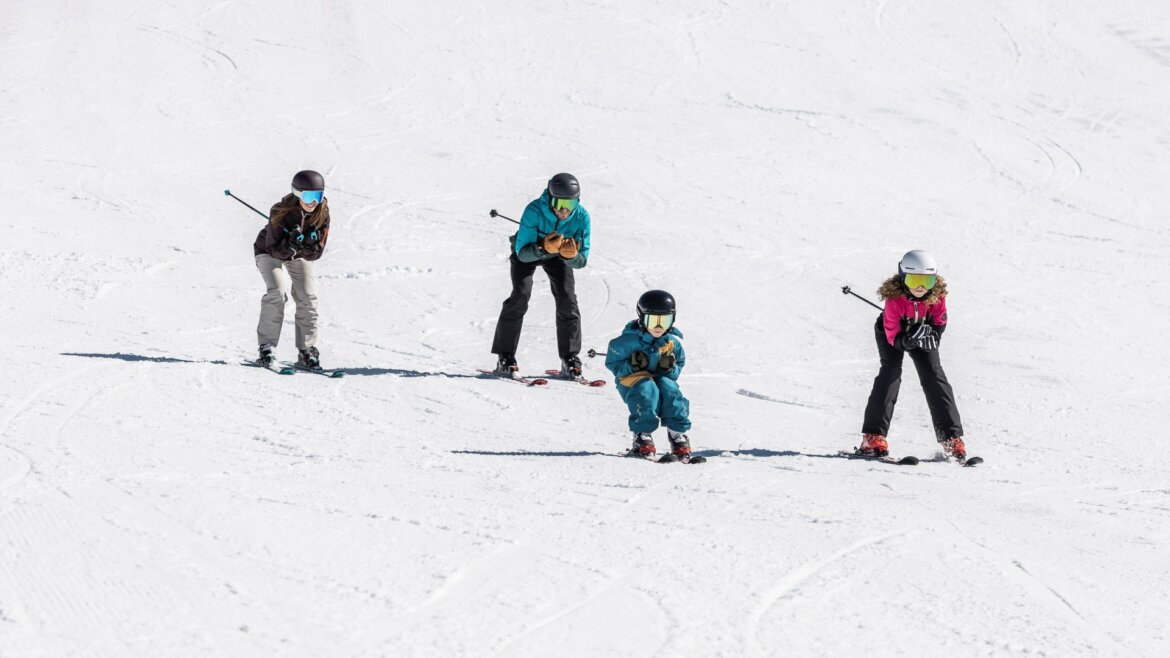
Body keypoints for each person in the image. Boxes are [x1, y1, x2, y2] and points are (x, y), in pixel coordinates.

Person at [859, 250, 967, 460]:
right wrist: (907, 340)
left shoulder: (937, 296)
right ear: (902, 277)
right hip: (893, 335)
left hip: (922, 333)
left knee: (934, 376)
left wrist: (933, 336)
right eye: (914, 280)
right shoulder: (894, 300)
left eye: (927, 281)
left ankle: (951, 438)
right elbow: (892, 336)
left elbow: (939, 321)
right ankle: (873, 436)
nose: (920, 287)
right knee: (890, 373)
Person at [491, 173, 591, 377]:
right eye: (560, 202)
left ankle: (569, 357)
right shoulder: (534, 210)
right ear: (550, 198)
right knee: (521, 294)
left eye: (570, 204)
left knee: (567, 298)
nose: (564, 210)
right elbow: (522, 253)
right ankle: (505, 356)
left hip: (558, 257)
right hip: (529, 251)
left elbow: (582, 261)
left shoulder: (581, 217)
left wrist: (571, 256)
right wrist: (543, 247)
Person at [253, 170, 331, 370]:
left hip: (298, 255)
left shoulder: (322, 212)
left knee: (307, 295)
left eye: (318, 196)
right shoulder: (280, 211)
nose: (314, 202)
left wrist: (307, 245)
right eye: (308, 196)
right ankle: (267, 348)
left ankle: (307, 350)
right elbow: (273, 248)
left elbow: (317, 253)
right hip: (269, 252)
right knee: (277, 292)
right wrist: (290, 244)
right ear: (297, 193)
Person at [604, 290, 692, 459]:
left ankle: (677, 435)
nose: (658, 327)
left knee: (670, 390)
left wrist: (669, 369)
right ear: (641, 318)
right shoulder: (625, 342)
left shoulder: (672, 343)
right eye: (652, 321)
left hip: (658, 377)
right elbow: (612, 364)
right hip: (632, 380)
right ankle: (642, 436)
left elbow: (679, 364)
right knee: (646, 390)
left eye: (664, 321)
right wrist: (632, 365)